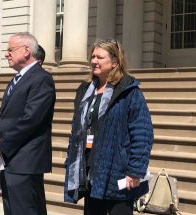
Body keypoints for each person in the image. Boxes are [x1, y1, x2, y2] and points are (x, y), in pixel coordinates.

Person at [63, 39, 154, 215]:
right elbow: (77, 130)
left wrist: (135, 171)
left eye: (99, 57)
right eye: (92, 56)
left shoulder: (129, 91)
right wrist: (71, 160)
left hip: (117, 171)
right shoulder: (85, 90)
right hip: (88, 168)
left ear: (114, 62)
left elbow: (143, 134)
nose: (93, 61)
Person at [0, 32, 56, 215]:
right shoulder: (17, 79)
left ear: (26, 51)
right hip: (10, 159)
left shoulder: (41, 79)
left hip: (26, 160)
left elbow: (30, 120)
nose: (6, 54)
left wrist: (2, 143)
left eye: (10, 49)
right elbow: (1, 116)